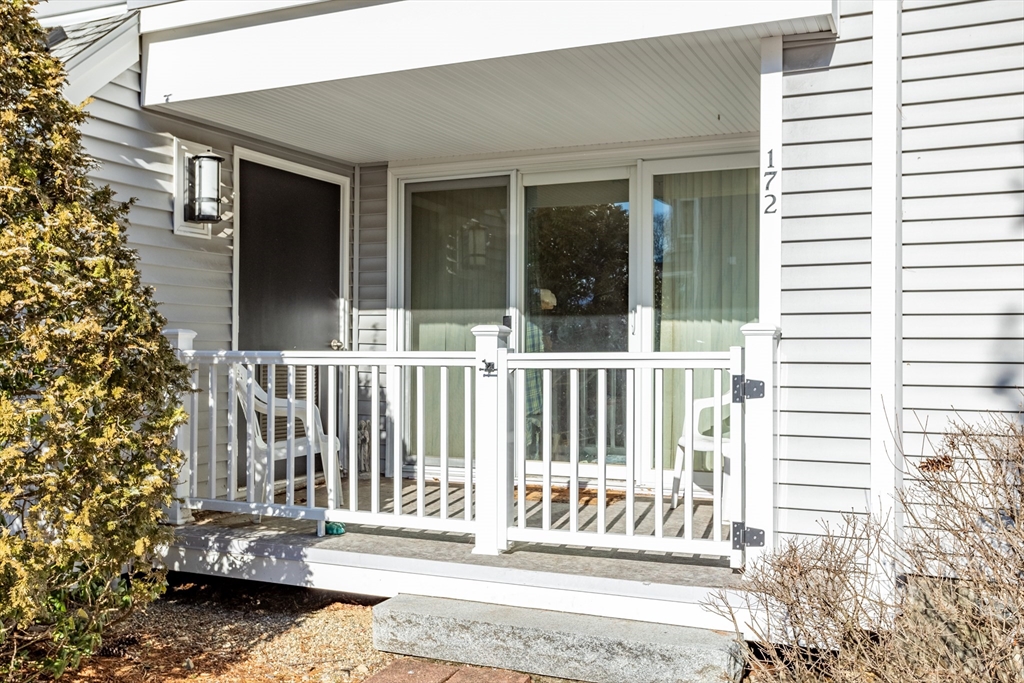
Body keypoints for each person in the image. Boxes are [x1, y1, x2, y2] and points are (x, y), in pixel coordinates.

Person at [524, 289, 555, 459]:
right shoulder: (532, 329)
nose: (548, 310)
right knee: (532, 419)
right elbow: (545, 351)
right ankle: (530, 459)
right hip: (531, 383)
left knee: (533, 419)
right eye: (546, 306)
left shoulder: (531, 328)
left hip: (533, 383)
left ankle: (532, 459)